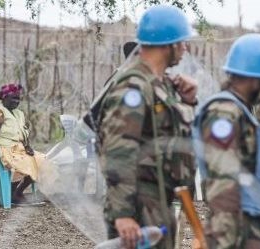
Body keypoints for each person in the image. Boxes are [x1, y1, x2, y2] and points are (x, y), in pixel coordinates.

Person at [97, 5, 197, 249]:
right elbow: (119, 150)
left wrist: (190, 101)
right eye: (182, 42)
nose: (185, 48)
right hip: (139, 207)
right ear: (168, 44)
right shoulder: (133, 87)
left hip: (159, 201)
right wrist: (123, 214)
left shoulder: (161, 85)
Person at [193, 34, 260, 249]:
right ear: (255, 79)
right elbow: (223, 188)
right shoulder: (224, 115)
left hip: (250, 232)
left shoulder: (240, 113)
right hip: (235, 237)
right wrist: (223, 242)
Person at [0, 83, 47, 205]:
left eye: (18, 98)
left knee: (41, 160)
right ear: (4, 97)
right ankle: (10, 193)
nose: (16, 101)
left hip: (16, 150)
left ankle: (16, 193)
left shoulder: (19, 114)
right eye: (13, 98)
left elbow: (22, 133)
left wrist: (27, 146)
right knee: (27, 163)